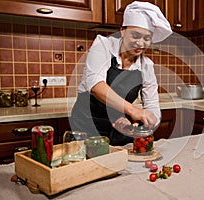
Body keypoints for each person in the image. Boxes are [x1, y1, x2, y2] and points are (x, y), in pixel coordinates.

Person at [69, 1, 172, 146]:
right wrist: (133, 110)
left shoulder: (146, 66)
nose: (140, 43)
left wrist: (140, 123)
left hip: (118, 130)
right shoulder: (103, 46)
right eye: (135, 35)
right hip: (86, 127)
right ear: (122, 31)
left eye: (146, 38)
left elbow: (152, 106)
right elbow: (95, 85)